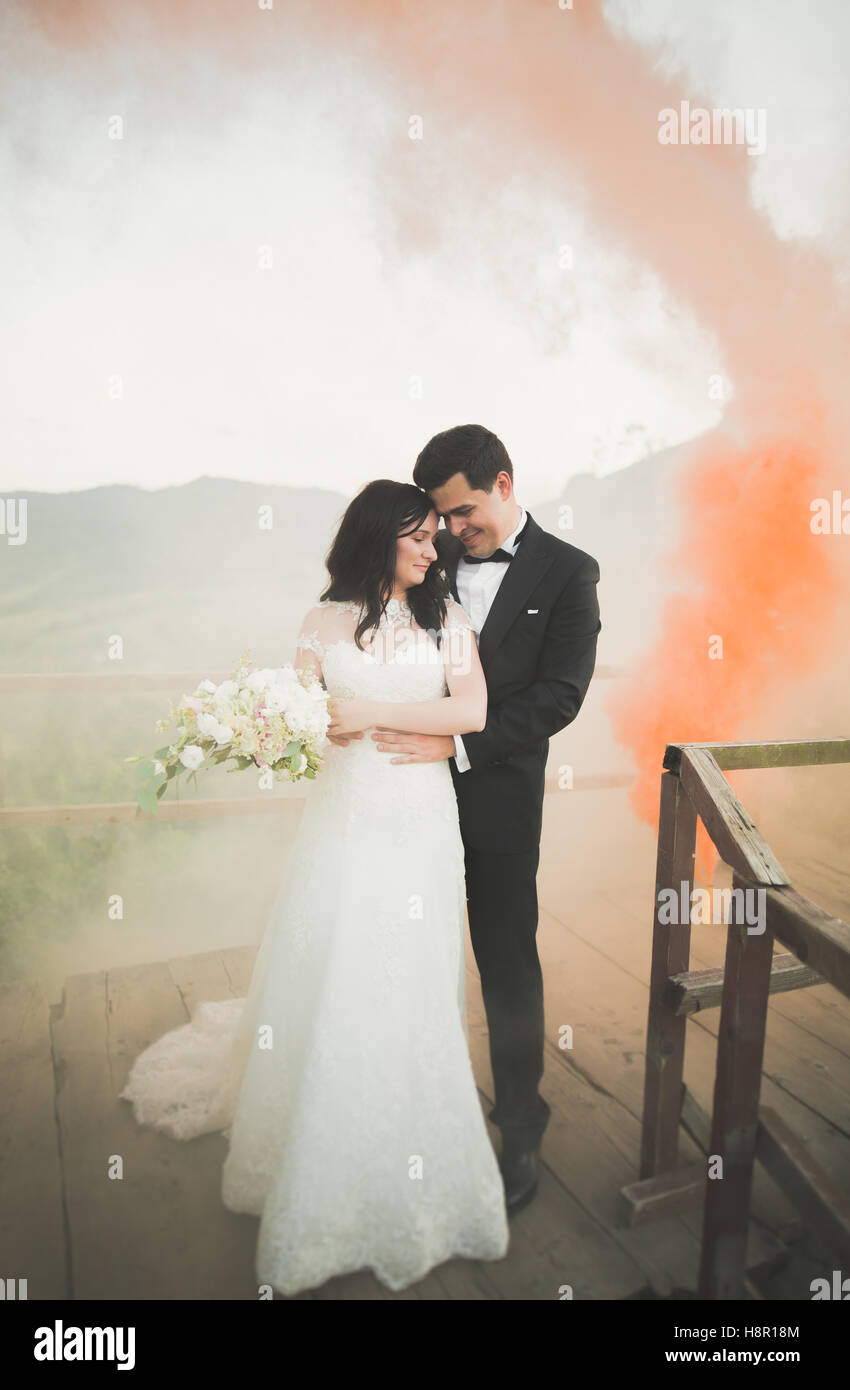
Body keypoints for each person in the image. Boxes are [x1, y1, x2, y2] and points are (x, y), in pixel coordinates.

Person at [119, 479, 509, 1296]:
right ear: (377, 536)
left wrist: (374, 713)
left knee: (406, 967)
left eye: (435, 533)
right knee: (336, 955)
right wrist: (268, 726)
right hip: (344, 815)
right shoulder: (320, 621)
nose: (430, 547)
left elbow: (471, 709)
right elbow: (301, 710)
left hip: (417, 817)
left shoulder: (449, 619)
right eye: (416, 534)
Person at [348, 426, 601, 1215]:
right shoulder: (430, 552)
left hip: (495, 796)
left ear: (503, 481)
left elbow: (560, 696)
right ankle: (386, 1114)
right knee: (390, 942)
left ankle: (519, 1124)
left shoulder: (570, 572)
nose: (453, 533)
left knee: (503, 956)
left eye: (462, 513)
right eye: (442, 519)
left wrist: (452, 747)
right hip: (398, 793)